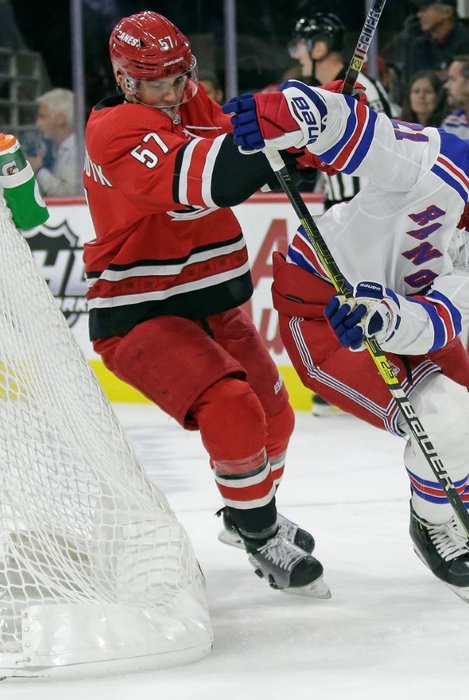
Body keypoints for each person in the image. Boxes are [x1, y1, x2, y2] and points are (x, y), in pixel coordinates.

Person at [223, 75, 469, 592]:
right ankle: (434, 528)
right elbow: (363, 133)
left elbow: (443, 318)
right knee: (444, 415)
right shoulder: (434, 161)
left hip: (391, 315)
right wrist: (292, 112)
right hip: (322, 310)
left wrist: (386, 316)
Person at [82, 10, 325, 594]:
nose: (174, 92)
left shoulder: (191, 97)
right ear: (126, 81)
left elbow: (240, 141)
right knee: (232, 407)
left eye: (179, 77)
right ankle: (261, 533)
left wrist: (314, 128)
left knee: (275, 418)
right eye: (157, 82)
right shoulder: (113, 130)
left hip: (210, 296)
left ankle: (247, 518)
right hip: (139, 309)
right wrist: (271, 153)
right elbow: (207, 178)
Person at [288, 11, 398, 418]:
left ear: (319, 47)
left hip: (367, 209)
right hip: (347, 208)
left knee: (367, 292)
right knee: (340, 292)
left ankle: (385, 376)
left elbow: (381, 152)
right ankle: (358, 376)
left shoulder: (362, 89)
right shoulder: (330, 90)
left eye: (302, 45)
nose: (298, 55)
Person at [402, 0, 469, 82]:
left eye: (425, 9)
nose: (419, 14)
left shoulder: (468, 44)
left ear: (447, 12)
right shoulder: (417, 45)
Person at [26, 88, 79, 196]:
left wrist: (39, 170)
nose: (38, 124)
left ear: (60, 119)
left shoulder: (78, 151)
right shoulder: (56, 149)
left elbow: (70, 194)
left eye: (42, 117)